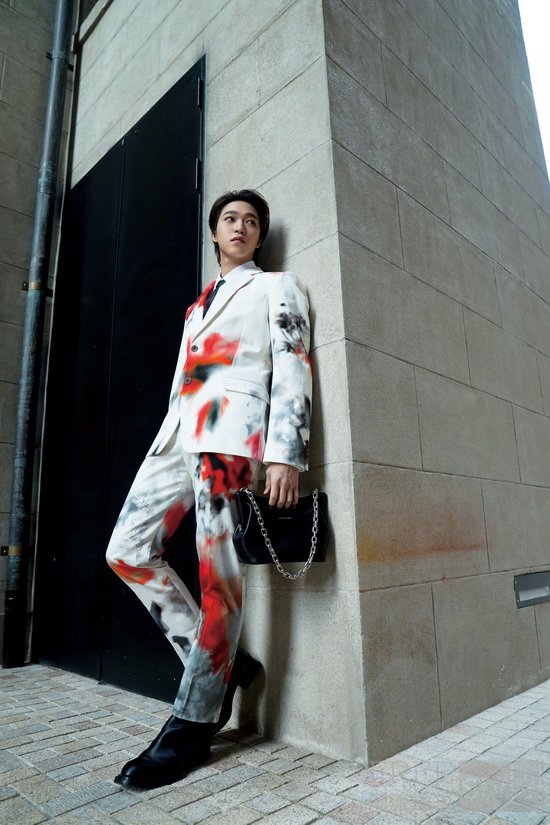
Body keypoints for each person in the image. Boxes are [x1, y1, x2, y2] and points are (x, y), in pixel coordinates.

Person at [106, 189, 312, 789]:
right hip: (176, 438)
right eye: (230, 219)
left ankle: (195, 720)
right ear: (215, 233)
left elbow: (292, 362)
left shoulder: (276, 286)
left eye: (251, 221)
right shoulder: (196, 307)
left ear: (259, 236)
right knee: (125, 550)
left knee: (218, 579)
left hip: (231, 441)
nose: (240, 226)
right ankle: (227, 663)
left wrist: (286, 453)